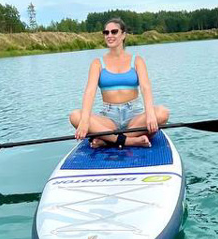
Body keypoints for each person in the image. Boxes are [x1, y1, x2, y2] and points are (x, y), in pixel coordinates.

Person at [69, 17, 170, 148]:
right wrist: (84, 121)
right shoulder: (97, 63)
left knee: (163, 113)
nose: (109, 35)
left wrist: (150, 114)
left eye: (114, 32)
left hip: (134, 117)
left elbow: (145, 88)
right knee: (75, 116)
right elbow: (89, 92)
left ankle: (107, 139)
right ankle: (129, 141)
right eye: (106, 33)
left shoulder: (137, 60)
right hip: (108, 118)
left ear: (123, 35)